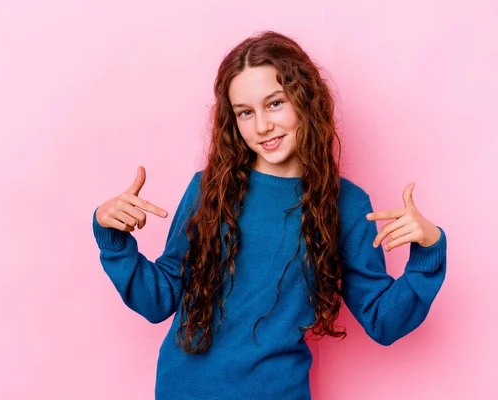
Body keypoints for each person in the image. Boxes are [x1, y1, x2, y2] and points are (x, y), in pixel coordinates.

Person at [92, 30, 447, 400]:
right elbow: (159, 299)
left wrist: (428, 250)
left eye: (275, 104)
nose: (262, 126)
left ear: (304, 99)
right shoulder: (208, 189)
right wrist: (113, 239)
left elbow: (383, 319)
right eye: (246, 112)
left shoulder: (348, 205)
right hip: (183, 388)